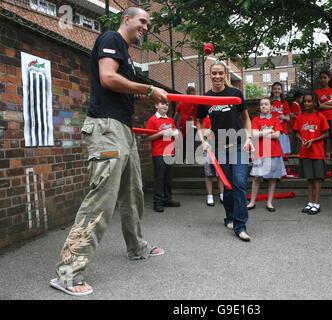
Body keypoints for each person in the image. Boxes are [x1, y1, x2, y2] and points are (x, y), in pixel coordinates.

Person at [50, 7, 167, 296]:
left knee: (133, 193)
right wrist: (148, 89)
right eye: (142, 21)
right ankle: (67, 274)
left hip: (123, 130)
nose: (145, 27)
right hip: (106, 129)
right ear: (126, 19)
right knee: (101, 198)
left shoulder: (125, 51)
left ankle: (136, 247)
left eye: (148, 24)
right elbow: (108, 78)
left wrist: (143, 89)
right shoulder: (111, 38)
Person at [196, 61, 254, 242]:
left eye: (220, 73)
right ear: (210, 75)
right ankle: (229, 217)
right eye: (214, 73)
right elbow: (198, 121)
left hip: (239, 146)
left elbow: (246, 119)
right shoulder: (206, 98)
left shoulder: (235, 94)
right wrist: (203, 140)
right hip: (220, 149)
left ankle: (240, 226)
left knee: (239, 183)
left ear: (225, 74)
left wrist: (249, 139)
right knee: (228, 187)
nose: (217, 76)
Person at [247, 98, 287, 212]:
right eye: (261, 104)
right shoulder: (255, 119)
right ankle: (252, 202)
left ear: (270, 107)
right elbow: (254, 134)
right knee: (256, 177)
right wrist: (268, 132)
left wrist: (261, 134)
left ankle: (269, 202)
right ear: (259, 107)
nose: (264, 106)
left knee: (272, 178)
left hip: (274, 151)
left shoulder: (275, 120)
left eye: (266, 104)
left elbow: (277, 135)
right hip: (260, 152)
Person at [292, 93, 329, 215]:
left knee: (317, 179)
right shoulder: (300, 117)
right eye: (305, 101)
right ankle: (310, 202)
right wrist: (301, 139)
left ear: (315, 103)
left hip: (317, 152)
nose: (307, 103)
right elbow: (296, 131)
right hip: (305, 152)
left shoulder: (320, 116)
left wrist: (313, 140)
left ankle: (317, 204)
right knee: (309, 179)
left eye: (309, 101)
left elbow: (326, 134)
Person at [145, 102, 181, 212]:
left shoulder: (170, 120)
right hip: (158, 153)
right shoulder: (152, 119)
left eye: (166, 104)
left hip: (169, 152)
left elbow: (175, 133)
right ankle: (157, 203)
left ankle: (167, 199)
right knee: (159, 178)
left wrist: (176, 133)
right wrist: (162, 133)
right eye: (162, 104)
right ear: (156, 106)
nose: (165, 106)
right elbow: (148, 137)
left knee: (168, 178)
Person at [314, 70, 332, 180]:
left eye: (324, 77)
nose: (322, 80)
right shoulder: (317, 92)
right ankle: (322, 171)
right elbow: (318, 106)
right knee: (322, 145)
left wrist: (326, 104)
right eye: (321, 78)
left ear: (329, 78)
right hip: (322, 120)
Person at [202, 115, 224, 206]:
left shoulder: (221, 116)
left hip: (220, 147)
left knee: (221, 173)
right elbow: (203, 133)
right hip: (208, 147)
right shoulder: (204, 118)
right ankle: (209, 196)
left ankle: (222, 194)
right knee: (208, 173)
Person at [173, 86, 198, 161]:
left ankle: (181, 158)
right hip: (191, 123)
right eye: (194, 92)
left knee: (182, 141)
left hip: (182, 124)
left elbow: (176, 113)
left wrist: (174, 123)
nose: (195, 94)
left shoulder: (181, 101)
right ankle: (189, 160)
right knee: (190, 142)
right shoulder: (195, 101)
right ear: (192, 92)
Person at [270, 82, 292, 157]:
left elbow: (288, 118)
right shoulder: (269, 103)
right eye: (275, 89)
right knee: (272, 152)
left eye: (279, 89)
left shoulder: (285, 103)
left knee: (282, 152)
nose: (277, 90)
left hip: (282, 130)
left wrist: (284, 117)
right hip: (271, 130)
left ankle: (282, 168)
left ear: (281, 91)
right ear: (272, 90)